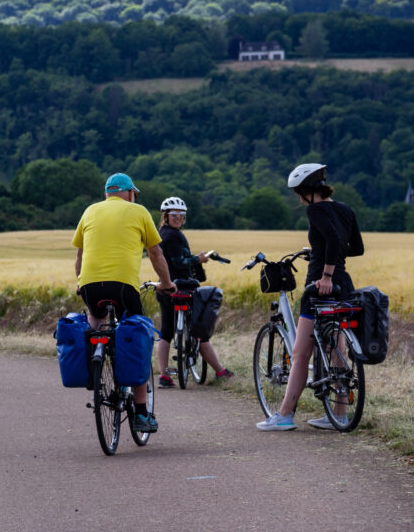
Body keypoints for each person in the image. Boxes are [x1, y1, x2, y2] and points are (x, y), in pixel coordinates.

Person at [257, 163, 365, 431]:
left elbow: (332, 238)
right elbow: (356, 248)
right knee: (337, 348)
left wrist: (325, 273)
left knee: (300, 353)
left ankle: (284, 415)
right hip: (344, 285)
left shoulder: (315, 209)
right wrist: (325, 253)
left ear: (307, 191)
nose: (298, 198)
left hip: (320, 286)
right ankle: (340, 414)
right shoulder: (345, 209)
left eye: (298, 192)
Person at [72, 173, 174, 433]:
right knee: (136, 339)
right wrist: (166, 282)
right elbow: (155, 252)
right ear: (129, 193)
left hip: (90, 285)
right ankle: (141, 413)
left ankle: (92, 367)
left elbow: (80, 256)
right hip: (123, 287)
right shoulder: (138, 211)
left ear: (107, 193)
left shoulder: (90, 211)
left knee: (95, 324)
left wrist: (81, 284)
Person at [154, 197, 234, 388]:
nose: (179, 218)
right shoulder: (172, 235)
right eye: (174, 215)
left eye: (182, 215)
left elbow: (177, 257)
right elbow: (178, 262)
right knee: (197, 329)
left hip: (166, 286)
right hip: (182, 287)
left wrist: (196, 257)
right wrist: (197, 260)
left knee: (166, 332)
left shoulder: (162, 233)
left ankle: (165, 375)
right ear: (165, 216)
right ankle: (220, 371)